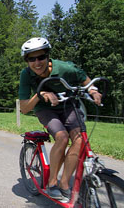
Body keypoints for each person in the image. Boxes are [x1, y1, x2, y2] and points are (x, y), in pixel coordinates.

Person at [18, 37, 102, 202]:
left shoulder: (64, 68)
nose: (37, 62)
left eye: (41, 57)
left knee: (79, 140)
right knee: (62, 137)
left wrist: (92, 90)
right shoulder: (26, 75)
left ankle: (64, 184)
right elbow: (24, 107)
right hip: (45, 109)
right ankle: (52, 183)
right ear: (27, 61)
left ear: (48, 56)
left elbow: (83, 77)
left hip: (67, 104)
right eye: (31, 59)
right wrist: (40, 94)